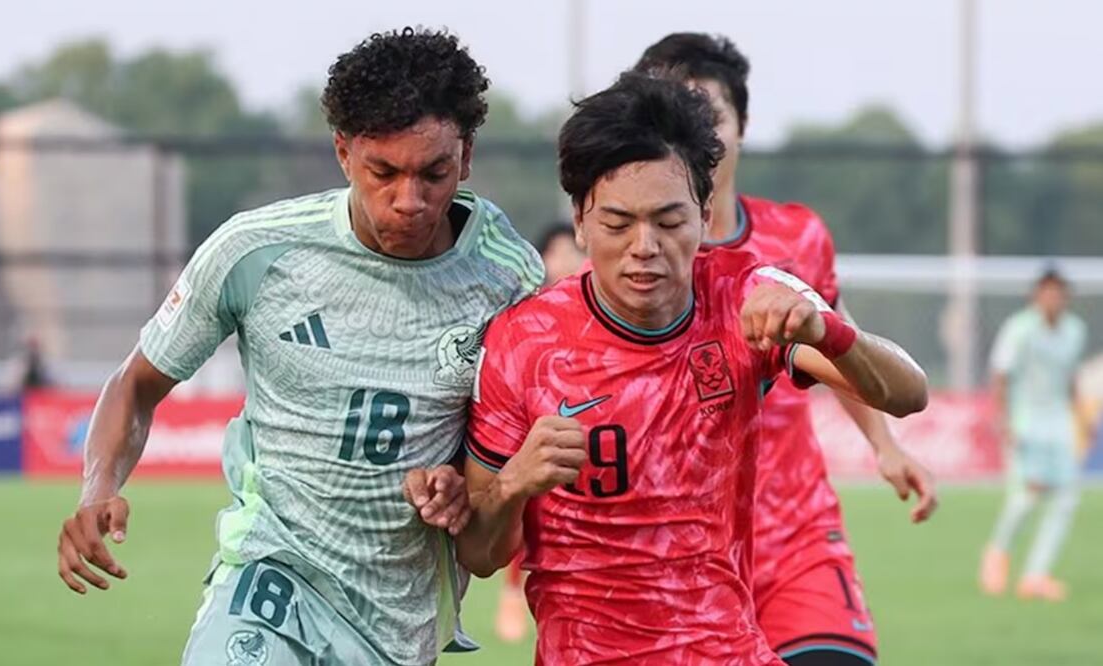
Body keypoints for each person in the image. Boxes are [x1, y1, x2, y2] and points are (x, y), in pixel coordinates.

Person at [54, 28, 544, 665]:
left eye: (434, 173)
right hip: (270, 576)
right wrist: (97, 488)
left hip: (399, 619)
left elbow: (493, 480)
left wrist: (459, 487)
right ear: (343, 152)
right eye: (383, 172)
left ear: (467, 155)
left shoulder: (511, 279)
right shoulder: (256, 250)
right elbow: (137, 381)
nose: (409, 201)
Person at [458, 73, 927, 664]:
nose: (645, 245)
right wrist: (515, 483)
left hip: (728, 649)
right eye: (618, 223)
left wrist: (826, 328)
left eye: (670, 221)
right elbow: (477, 552)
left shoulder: (742, 294)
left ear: (705, 215)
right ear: (580, 221)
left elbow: (909, 392)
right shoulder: (523, 341)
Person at [633, 33, 939, 665]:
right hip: (678, 553)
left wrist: (884, 445)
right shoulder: (633, 261)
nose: (697, 135)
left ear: (742, 127)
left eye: (710, 116)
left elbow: (841, 348)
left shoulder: (796, 236)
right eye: (673, 117)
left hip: (793, 532)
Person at [495, 220, 587, 643]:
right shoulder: (525, 322)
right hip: (539, 425)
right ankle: (513, 592)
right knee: (528, 499)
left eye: (572, 252)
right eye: (556, 252)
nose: (566, 261)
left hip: (594, 430)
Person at [980, 268, 1088, 601]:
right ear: (1036, 296)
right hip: (1027, 420)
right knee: (1026, 497)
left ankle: (1036, 575)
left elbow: (1070, 377)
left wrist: (1080, 417)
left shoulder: (1075, 330)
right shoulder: (1020, 329)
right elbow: (1001, 374)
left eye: (1059, 293)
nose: (1053, 299)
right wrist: (1004, 420)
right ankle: (997, 553)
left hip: (1059, 422)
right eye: (1047, 292)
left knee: (1066, 499)